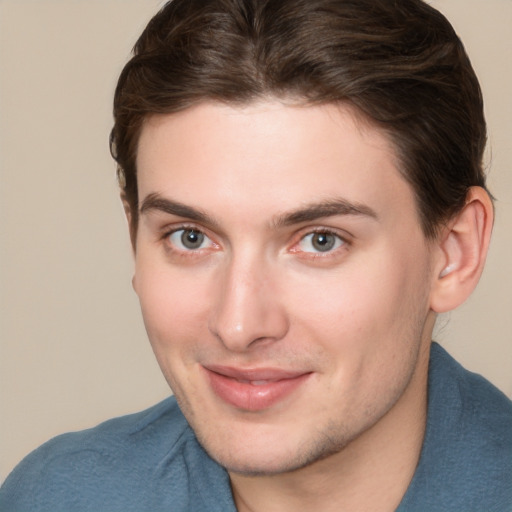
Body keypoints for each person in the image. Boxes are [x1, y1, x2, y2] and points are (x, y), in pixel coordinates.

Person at [1, 0, 511, 510]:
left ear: (454, 251)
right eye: (190, 237)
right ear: (134, 234)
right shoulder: (53, 497)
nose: (239, 326)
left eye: (320, 241)